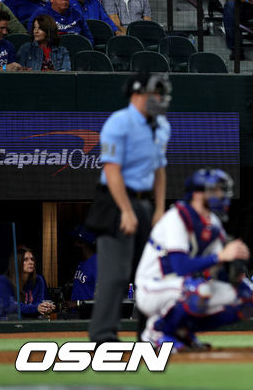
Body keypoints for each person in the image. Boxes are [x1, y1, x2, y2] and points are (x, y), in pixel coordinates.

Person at [85, 72, 171, 344]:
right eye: (154, 94)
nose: (159, 99)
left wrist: (159, 209)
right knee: (116, 273)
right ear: (137, 94)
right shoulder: (119, 122)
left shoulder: (162, 126)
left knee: (151, 271)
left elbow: (160, 170)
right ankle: (102, 335)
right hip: (114, 201)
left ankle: (149, 333)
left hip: (144, 202)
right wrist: (126, 210)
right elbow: (112, 171)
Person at [135, 169, 253, 351]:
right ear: (196, 193)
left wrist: (233, 273)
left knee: (248, 298)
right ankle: (156, 332)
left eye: (221, 190)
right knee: (196, 290)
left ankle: (182, 332)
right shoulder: (177, 217)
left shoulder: (213, 222)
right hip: (153, 287)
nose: (220, 195)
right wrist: (221, 256)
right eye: (214, 190)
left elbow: (216, 268)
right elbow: (180, 266)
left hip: (182, 285)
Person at [28, 0, 94, 44]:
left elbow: (88, 38)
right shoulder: (41, 14)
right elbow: (33, 35)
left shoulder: (76, 14)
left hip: (75, 49)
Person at [0, 247, 55, 318]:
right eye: (25, 260)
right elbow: (10, 306)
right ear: (16, 262)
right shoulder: (3, 281)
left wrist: (45, 307)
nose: (31, 262)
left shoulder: (38, 280)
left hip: (30, 320)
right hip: (7, 323)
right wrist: (36, 308)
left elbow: (39, 302)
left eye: (32, 259)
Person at [62, 225, 97, 311]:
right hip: (77, 316)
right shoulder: (81, 263)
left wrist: (77, 304)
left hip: (89, 318)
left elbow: (104, 297)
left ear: (82, 242)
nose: (72, 244)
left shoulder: (97, 263)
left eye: (75, 241)